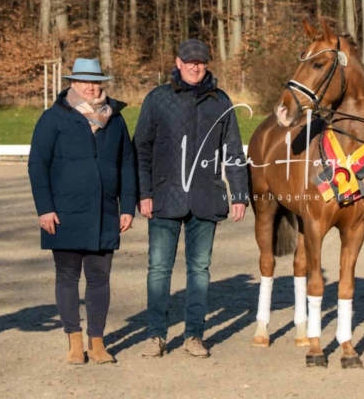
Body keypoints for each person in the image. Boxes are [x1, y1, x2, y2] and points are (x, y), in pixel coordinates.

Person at [134, 38, 249, 358]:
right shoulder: (157, 99)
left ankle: (194, 335)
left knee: (199, 269)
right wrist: (143, 193)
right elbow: (141, 147)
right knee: (159, 268)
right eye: (190, 61)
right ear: (178, 62)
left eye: (201, 61)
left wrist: (239, 194)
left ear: (207, 64)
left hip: (206, 196)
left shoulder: (221, 101)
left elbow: (234, 150)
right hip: (164, 196)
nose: (196, 66)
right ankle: (156, 335)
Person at [28, 58, 136, 365]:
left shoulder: (115, 119)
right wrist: (45, 209)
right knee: (67, 276)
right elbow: (37, 164)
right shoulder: (53, 118)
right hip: (64, 213)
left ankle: (97, 342)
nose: (91, 86)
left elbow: (127, 162)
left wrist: (127, 206)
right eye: (84, 81)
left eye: (96, 81)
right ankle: (74, 341)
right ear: (72, 83)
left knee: (100, 278)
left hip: (105, 213)